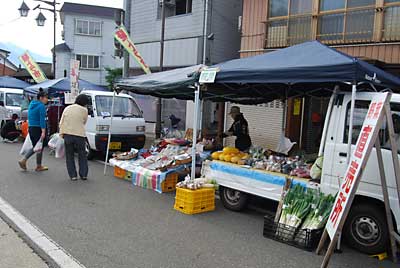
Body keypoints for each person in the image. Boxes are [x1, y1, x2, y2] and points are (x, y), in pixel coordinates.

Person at [59, 94, 89, 181]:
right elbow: (84, 121)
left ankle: (73, 175)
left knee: (69, 155)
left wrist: (62, 134)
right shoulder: (84, 110)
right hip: (79, 135)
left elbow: (61, 122)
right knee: (82, 155)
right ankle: (83, 174)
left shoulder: (67, 108)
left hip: (68, 134)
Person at [18, 89, 48, 172]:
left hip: (31, 127)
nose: (47, 99)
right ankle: (31, 163)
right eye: (46, 97)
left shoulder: (32, 104)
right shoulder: (41, 106)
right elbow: (42, 120)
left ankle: (32, 163)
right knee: (39, 146)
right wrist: (43, 131)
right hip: (38, 128)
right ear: (41, 98)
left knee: (37, 146)